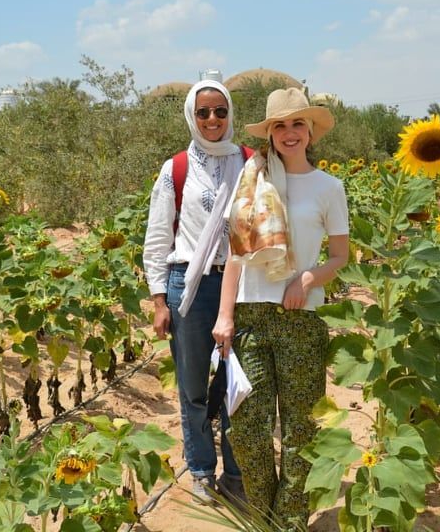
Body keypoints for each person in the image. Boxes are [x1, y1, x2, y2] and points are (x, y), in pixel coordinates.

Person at [212, 87, 349, 530]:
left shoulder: (330, 188)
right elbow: (235, 252)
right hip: (250, 316)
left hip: (300, 319)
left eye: (297, 124)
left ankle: (286, 524)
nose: (289, 133)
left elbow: (340, 255)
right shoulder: (251, 181)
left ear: (311, 132)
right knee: (247, 431)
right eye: (280, 126)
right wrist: (225, 314)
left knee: (299, 433)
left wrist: (308, 279)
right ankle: (265, 516)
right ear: (270, 133)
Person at [143, 79, 248, 505]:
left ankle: (238, 473)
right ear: (191, 114)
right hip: (189, 284)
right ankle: (202, 469)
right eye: (203, 112)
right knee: (194, 387)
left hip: (241, 284)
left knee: (239, 384)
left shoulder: (249, 162)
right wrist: (157, 300)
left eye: (220, 112)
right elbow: (156, 237)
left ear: (230, 115)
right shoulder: (177, 169)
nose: (211, 120)